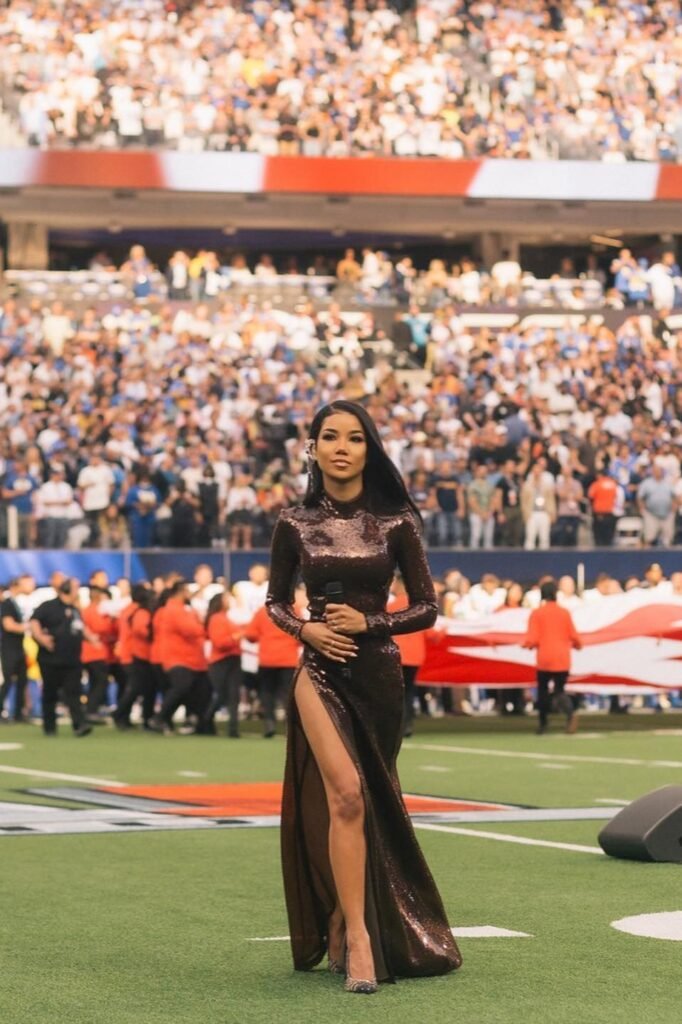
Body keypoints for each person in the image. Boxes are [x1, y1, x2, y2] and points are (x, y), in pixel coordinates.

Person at [266, 399, 461, 993]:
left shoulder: (398, 520)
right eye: (330, 437)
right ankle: (358, 937)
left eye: (354, 437)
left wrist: (372, 625)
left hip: (379, 676)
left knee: (371, 798)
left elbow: (428, 607)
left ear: (369, 448)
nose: (342, 447)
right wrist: (306, 629)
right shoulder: (293, 523)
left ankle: (341, 914)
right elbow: (275, 601)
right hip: (317, 671)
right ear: (314, 448)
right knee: (346, 795)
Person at [29, 578, 93, 737]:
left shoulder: (75, 609)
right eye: (76, 587)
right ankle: (49, 727)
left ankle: (80, 724)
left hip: (72, 660)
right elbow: (34, 621)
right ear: (67, 590)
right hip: (50, 659)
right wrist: (41, 638)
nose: (78, 591)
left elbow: (79, 628)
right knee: (50, 693)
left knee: (74, 693)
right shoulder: (49, 606)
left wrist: (92, 638)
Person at [522, 578, 583, 736]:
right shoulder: (564, 613)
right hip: (563, 658)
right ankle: (570, 713)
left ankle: (543, 723)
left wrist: (527, 644)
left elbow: (533, 637)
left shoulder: (537, 614)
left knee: (542, 691)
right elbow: (574, 635)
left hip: (545, 658)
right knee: (559, 690)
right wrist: (578, 644)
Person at [205, 590, 243, 738]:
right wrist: (236, 637)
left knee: (233, 695)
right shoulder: (217, 619)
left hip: (231, 660)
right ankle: (207, 720)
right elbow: (220, 643)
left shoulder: (224, 618)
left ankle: (232, 728)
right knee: (224, 695)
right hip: (221, 661)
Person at [0, 576, 34, 722]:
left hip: (18, 647)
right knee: (7, 680)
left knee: (22, 680)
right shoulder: (7, 603)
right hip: (9, 648)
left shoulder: (14, 603)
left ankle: (20, 713)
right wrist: (27, 626)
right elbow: (8, 625)